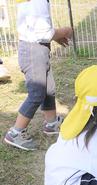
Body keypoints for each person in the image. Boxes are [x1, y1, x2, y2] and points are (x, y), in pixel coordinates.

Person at [4, 0, 72, 151]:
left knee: (48, 88)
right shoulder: (38, 2)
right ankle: (16, 133)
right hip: (33, 52)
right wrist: (64, 31)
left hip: (37, 51)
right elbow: (44, 33)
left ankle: (51, 123)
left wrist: (55, 36)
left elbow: (38, 30)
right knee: (37, 94)